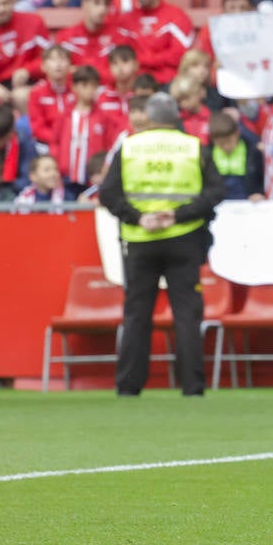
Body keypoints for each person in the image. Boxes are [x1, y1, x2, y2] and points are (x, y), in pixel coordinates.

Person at [98, 92, 223, 397]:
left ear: (149, 117)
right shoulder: (193, 147)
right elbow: (216, 192)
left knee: (137, 313)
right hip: (184, 237)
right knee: (186, 314)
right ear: (176, 116)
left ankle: (128, 386)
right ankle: (192, 387)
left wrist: (138, 217)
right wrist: (179, 214)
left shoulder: (128, 147)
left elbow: (107, 195)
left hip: (140, 240)